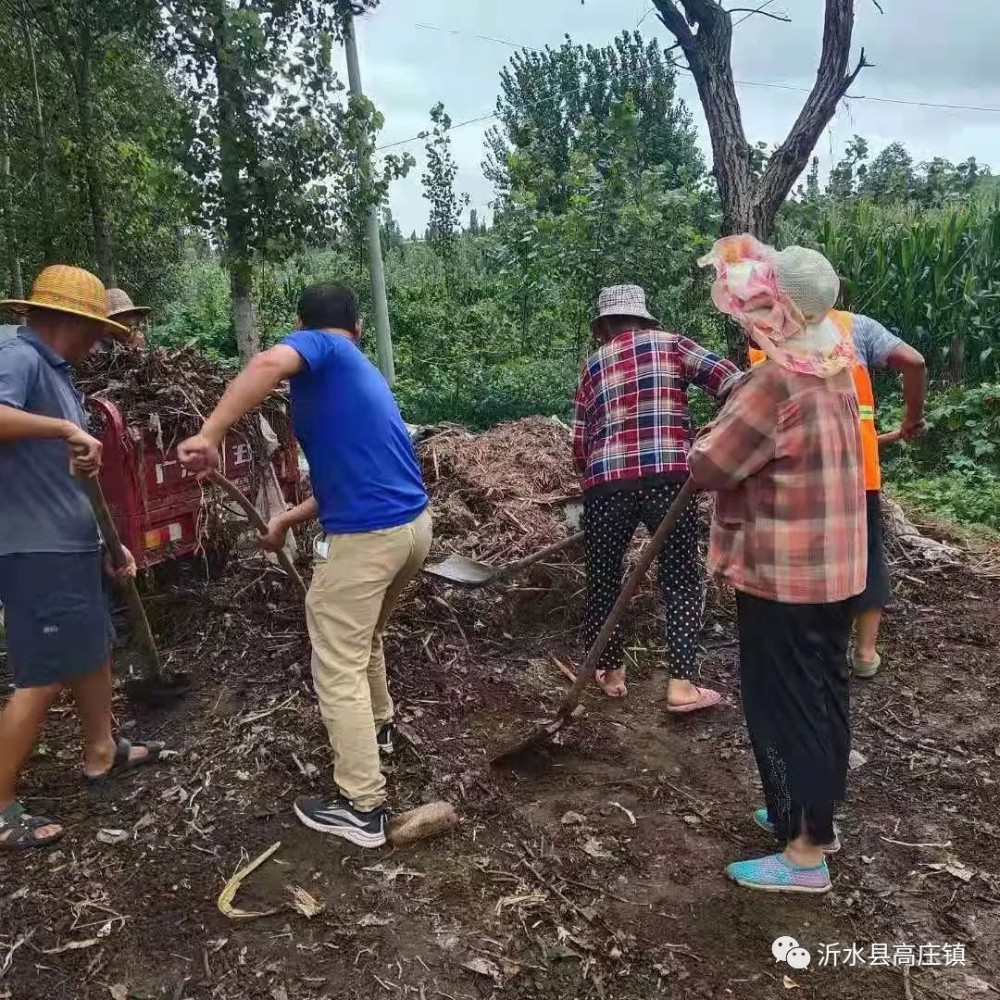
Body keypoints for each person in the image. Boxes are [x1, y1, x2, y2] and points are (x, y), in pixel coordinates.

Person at [178, 282, 430, 849]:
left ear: (306, 327)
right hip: (411, 529)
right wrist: (287, 519)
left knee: (336, 660)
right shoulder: (359, 374)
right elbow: (350, 476)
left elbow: (267, 361)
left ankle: (361, 806)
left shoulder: (327, 351)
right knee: (364, 639)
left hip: (371, 535)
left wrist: (209, 434)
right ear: (359, 326)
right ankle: (380, 729)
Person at [690, 237, 866, 894]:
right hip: (837, 565)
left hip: (785, 575)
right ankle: (813, 818)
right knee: (824, 694)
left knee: (782, 705)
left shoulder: (775, 381)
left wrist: (706, 436)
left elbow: (712, 466)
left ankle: (803, 856)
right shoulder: (837, 365)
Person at [0, 265, 165, 851]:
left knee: (92, 646)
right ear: (67, 321)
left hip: (71, 538)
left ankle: (101, 750)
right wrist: (60, 429)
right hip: (34, 545)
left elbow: (70, 467)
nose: (101, 340)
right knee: (42, 676)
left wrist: (110, 540)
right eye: (96, 328)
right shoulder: (17, 358)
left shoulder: (58, 373)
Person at [572, 284, 742, 710]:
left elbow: (580, 444)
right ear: (643, 319)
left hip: (607, 483)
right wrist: (714, 435)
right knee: (681, 579)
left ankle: (611, 673)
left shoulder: (592, 366)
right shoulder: (672, 345)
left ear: (605, 327)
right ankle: (681, 685)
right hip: (670, 478)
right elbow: (733, 382)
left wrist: (595, 484)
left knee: (603, 582)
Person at [749, 293, 926, 679]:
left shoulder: (762, 332)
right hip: (855, 470)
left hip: (790, 470)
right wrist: (913, 417)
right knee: (866, 556)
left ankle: (806, 648)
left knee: (800, 556)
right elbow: (914, 361)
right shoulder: (855, 326)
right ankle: (864, 654)